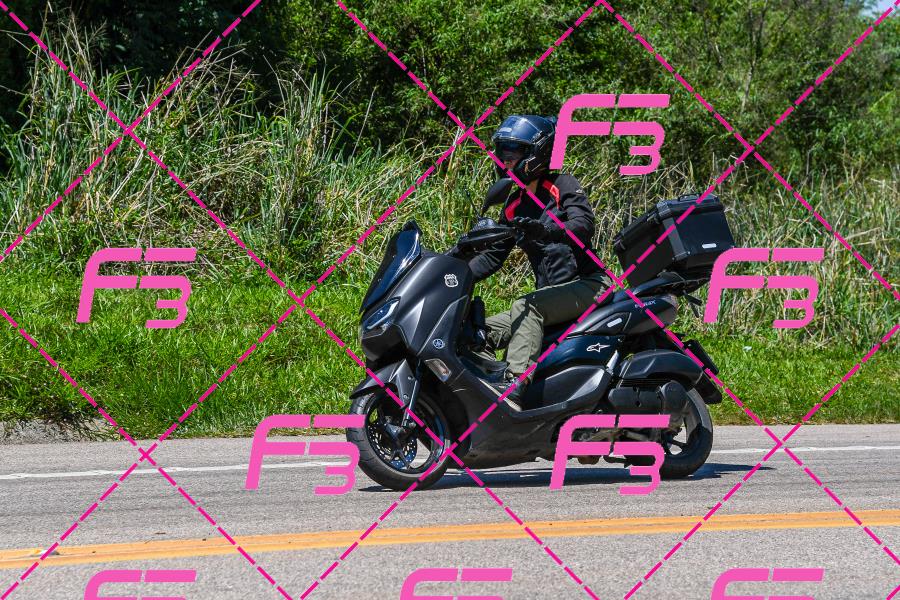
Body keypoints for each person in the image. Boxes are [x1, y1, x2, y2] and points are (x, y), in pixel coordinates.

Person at [467, 114, 609, 408]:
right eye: (502, 152)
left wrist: (547, 230)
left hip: (589, 284)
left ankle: (514, 387)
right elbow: (492, 256)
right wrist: (451, 271)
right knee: (473, 333)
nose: (506, 160)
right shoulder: (513, 204)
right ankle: (485, 395)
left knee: (526, 305)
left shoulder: (562, 184)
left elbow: (583, 225)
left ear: (538, 152)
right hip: (551, 296)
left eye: (514, 152)